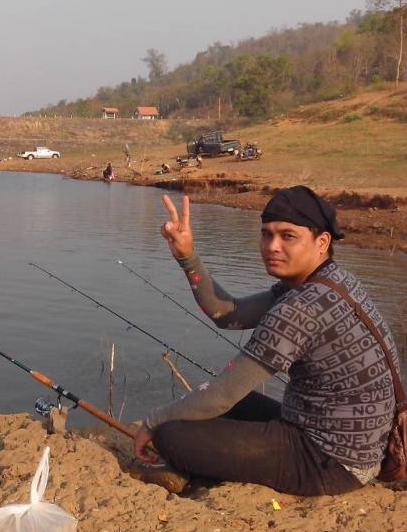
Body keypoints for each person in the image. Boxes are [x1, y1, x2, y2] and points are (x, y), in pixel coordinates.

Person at [132, 186, 398, 496]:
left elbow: (221, 395)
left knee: (172, 436)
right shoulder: (333, 280)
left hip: (329, 461)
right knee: (233, 404)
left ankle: (194, 471)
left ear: (322, 241)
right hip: (355, 446)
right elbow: (228, 313)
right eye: (266, 234)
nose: (272, 246)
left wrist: (151, 423)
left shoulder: (299, 308)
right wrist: (187, 256)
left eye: (288, 236)